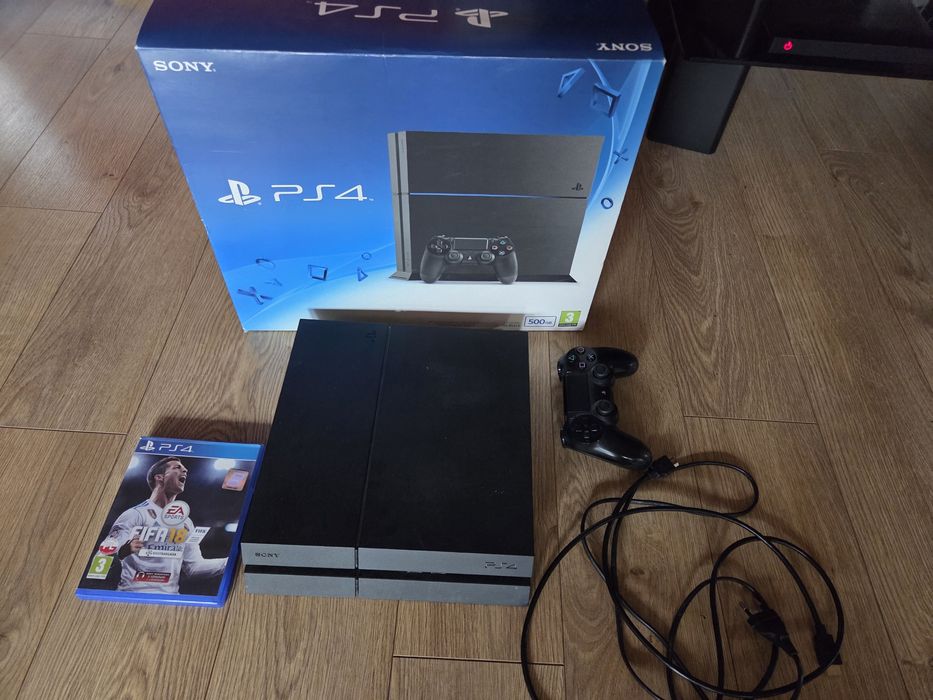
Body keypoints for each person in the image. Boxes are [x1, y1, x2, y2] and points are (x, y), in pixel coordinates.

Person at [101, 456, 226, 593]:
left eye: (184, 468)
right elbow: (101, 558)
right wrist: (121, 553)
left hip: (170, 597)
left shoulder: (186, 522)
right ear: (159, 477)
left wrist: (230, 561)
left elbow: (194, 568)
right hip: (132, 594)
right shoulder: (135, 515)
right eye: (177, 467)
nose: (185, 470)